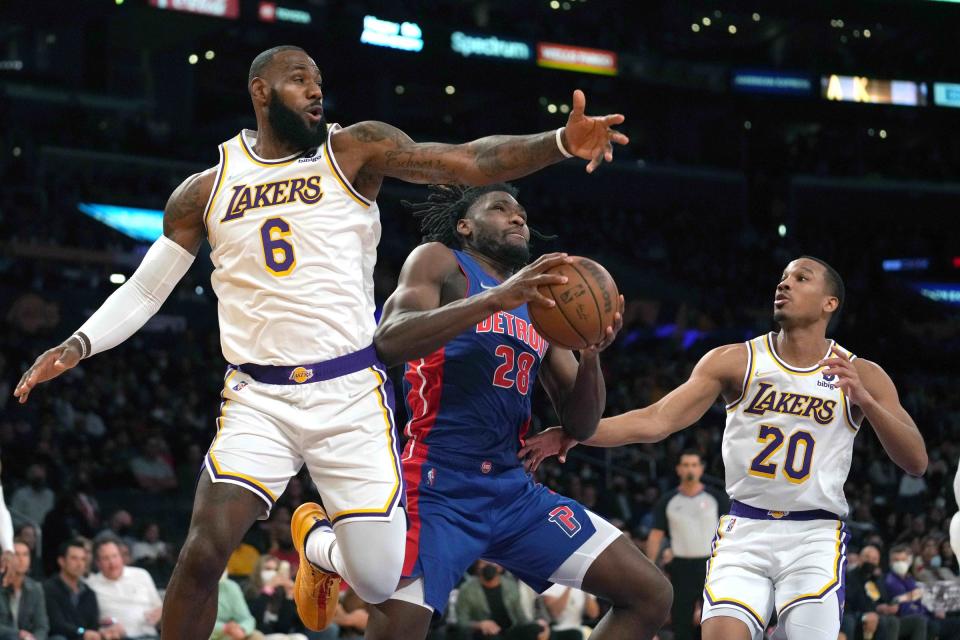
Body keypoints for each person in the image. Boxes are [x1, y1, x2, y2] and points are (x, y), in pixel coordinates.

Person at [13, 44, 628, 640]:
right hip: (260, 397)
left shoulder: (354, 150)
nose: (315, 91)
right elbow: (148, 291)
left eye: (318, 82)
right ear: (260, 91)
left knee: (380, 575)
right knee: (204, 552)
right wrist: (79, 343)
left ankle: (316, 544)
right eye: (299, 79)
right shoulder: (205, 189)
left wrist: (559, 144)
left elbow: (466, 161)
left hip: (349, 392)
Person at [521, 256, 928, 640]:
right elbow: (658, 418)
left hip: (815, 535)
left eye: (801, 278)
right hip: (744, 531)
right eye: (783, 277)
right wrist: (575, 433)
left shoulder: (861, 373)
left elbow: (916, 461)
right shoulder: (735, 360)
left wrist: (867, 402)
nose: (784, 283)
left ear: (829, 303)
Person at [355, 183, 670, 640]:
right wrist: (493, 300)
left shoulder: (540, 306)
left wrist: (591, 354)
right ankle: (326, 546)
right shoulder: (440, 262)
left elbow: (581, 424)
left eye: (521, 211)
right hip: (437, 486)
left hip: (512, 490)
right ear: (465, 226)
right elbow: (389, 342)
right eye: (501, 209)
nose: (518, 217)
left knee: (651, 595)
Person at [647, 450, 728, 640]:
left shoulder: (716, 498)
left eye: (694, 464)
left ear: (701, 469)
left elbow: (730, 531)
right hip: (680, 567)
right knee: (681, 621)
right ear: (678, 469)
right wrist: (651, 565)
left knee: (714, 619)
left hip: (711, 567)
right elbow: (656, 535)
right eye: (685, 465)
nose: (690, 469)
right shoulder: (668, 500)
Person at [86, 538, 162, 639]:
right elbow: (89, 622)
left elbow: (159, 607)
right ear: (98, 563)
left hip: (150, 635)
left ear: (122, 557)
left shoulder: (141, 574)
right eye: (105, 558)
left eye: (115, 556)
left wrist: (159, 613)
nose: (112, 563)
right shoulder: (91, 584)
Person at [43, 539, 119, 640]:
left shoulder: (89, 593)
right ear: (61, 561)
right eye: (74, 559)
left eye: (83, 559)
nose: (79, 564)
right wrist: (81, 632)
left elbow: (93, 626)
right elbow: (56, 624)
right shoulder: (49, 588)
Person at [843, 545, 900, 640]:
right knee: (881, 622)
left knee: (892, 620)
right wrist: (875, 609)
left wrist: (889, 607)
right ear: (860, 558)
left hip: (877, 614)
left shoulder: (878, 579)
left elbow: (884, 598)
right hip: (856, 614)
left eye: (874, 559)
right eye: (867, 557)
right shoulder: (850, 577)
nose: (870, 561)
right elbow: (852, 602)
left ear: (878, 562)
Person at [0, 540, 49, 640]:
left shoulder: (36, 588)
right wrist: (19, 634)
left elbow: (42, 626)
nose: (21, 559)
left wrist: (34, 638)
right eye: (16, 554)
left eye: (25, 555)